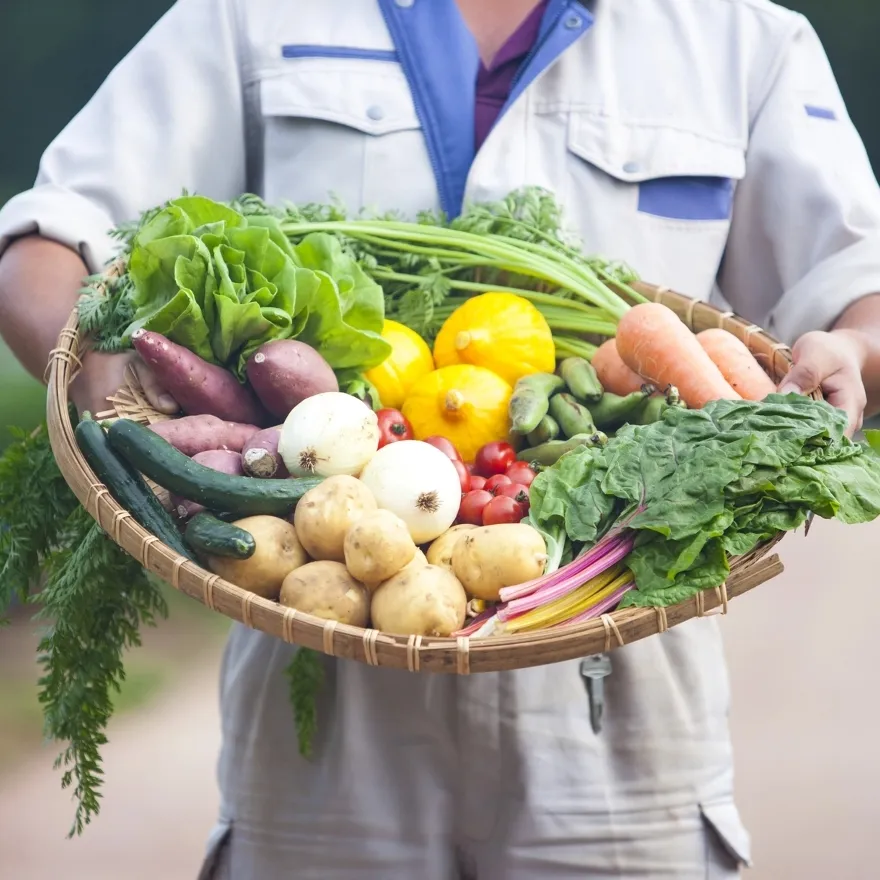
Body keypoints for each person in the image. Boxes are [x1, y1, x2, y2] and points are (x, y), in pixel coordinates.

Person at [1, 1, 879, 877]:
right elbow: (46, 240)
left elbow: (858, 286)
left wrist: (852, 348)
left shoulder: (740, 37)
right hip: (323, 673)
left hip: (620, 699)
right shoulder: (248, 15)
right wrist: (110, 394)